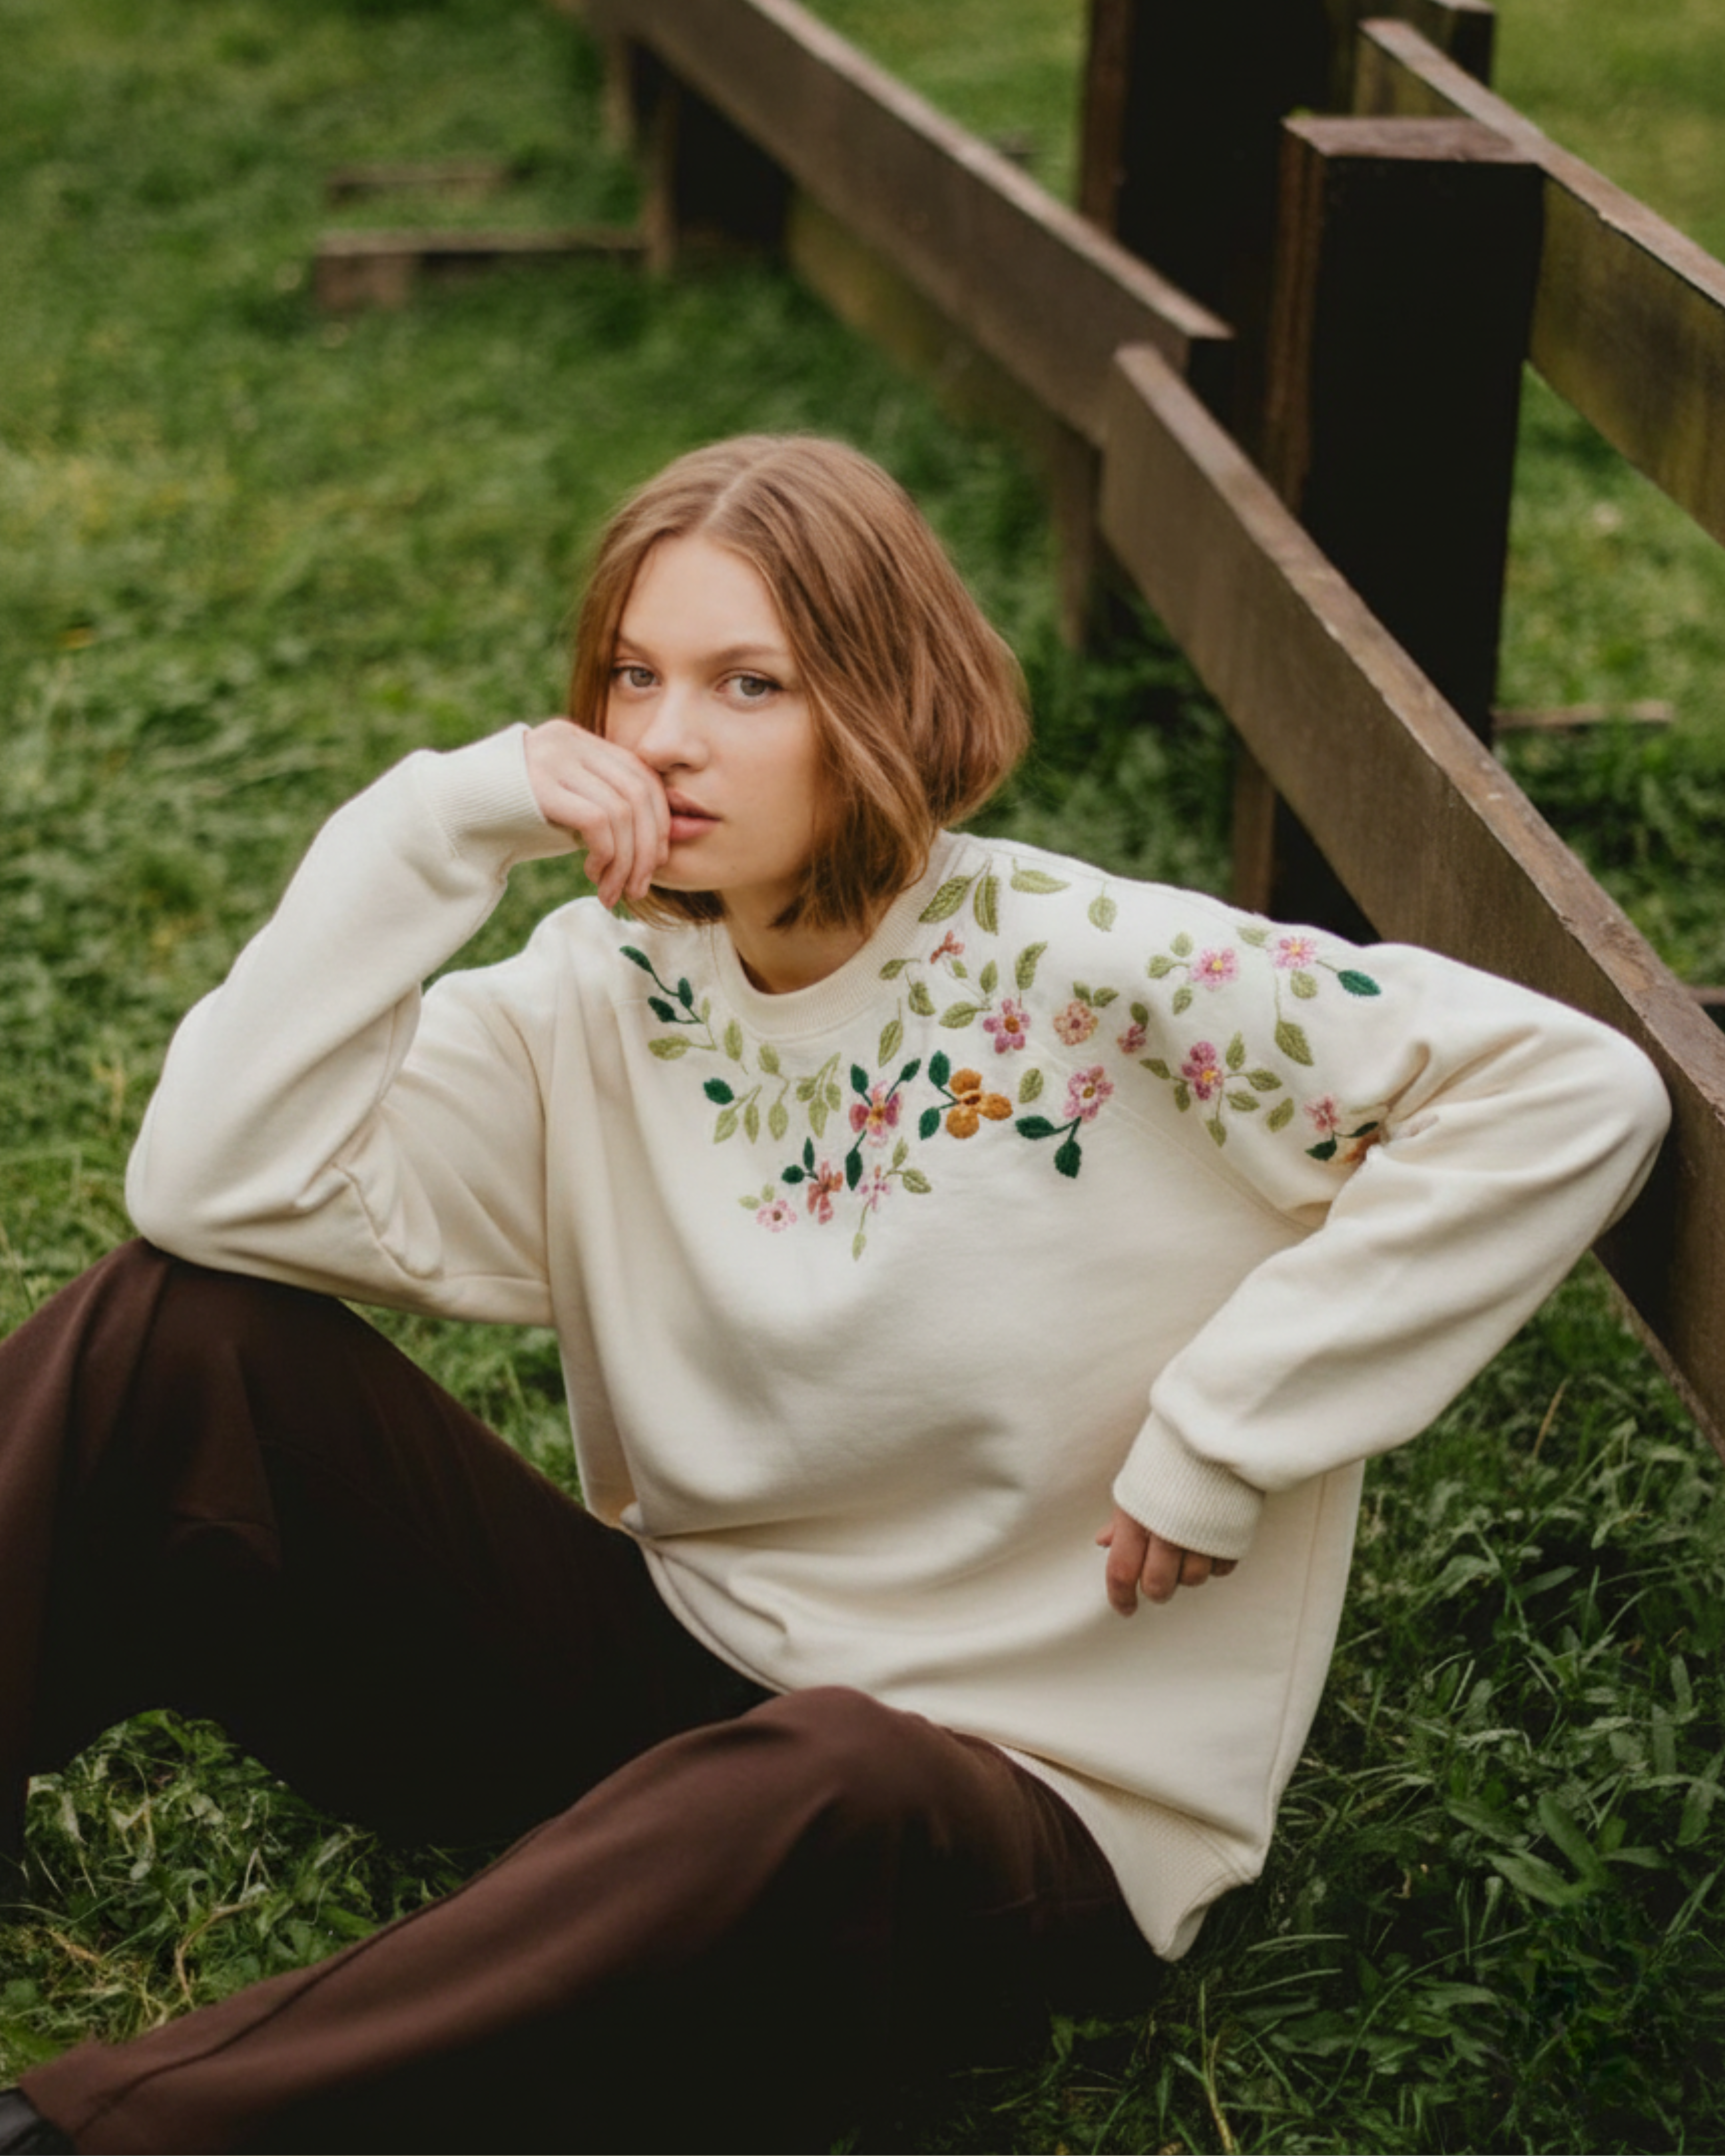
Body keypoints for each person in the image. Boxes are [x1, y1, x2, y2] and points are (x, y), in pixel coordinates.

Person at [0, 434, 1670, 2154]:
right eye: (633, 677)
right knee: (169, 1333)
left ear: (876, 701)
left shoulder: (1095, 968)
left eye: (749, 682)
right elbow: (208, 1187)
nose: (664, 734)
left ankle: (106, 2134)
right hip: (666, 1698)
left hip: (1003, 1798)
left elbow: (1568, 1092)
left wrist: (1229, 1428)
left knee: (821, 1786)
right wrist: (443, 818)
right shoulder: (610, 985)